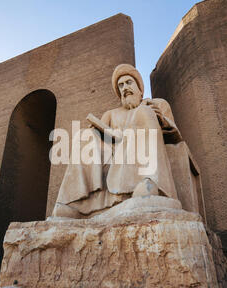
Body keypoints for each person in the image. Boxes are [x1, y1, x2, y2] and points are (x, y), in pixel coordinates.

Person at [52, 64, 182, 219]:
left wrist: (160, 119)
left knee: (142, 112)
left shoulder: (156, 104)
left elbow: (176, 136)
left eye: (129, 82)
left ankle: (149, 182)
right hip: (113, 153)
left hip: (142, 150)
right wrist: (101, 132)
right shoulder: (111, 114)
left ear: (140, 88)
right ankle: (75, 202)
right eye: (121, 85)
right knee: (86, 135)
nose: (124, 88)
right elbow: (100, 136)